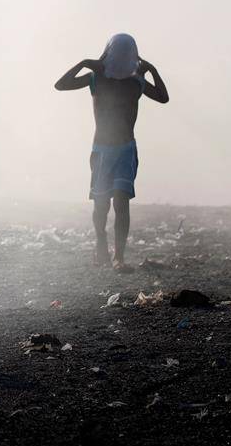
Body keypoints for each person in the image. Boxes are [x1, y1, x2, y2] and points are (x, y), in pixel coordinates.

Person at [54, 33, 169, 272]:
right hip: (102, 150)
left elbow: (163, 98)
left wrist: (153, 70)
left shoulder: (135, 82)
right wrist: (84, 63)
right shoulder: (96, 79)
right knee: (101, 204)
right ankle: (101, 244)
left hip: (125, 149)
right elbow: (60, 85)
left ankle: (119, 257)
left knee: (121, 202)